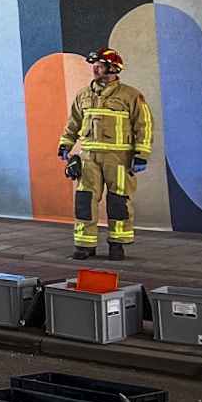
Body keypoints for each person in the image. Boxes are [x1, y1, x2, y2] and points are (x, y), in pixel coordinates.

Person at [60, 48, 154, 261]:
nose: (95, 69)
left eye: (100, 65)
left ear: (113, 68)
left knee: (118, 201)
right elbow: (73, 123)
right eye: (94, 65)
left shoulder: (131, 96)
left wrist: (142, 154)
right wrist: (65, 144)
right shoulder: (83, 94)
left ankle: (117, 245)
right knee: (85, 200)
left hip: (119, 159)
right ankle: (84, 245)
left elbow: (144, 126)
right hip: (89, 157)